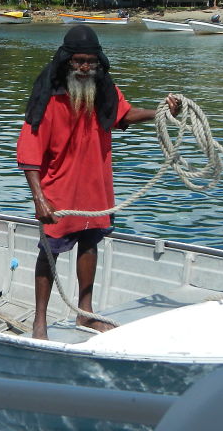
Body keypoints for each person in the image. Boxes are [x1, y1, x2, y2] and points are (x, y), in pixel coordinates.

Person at [16, 25, 181, 339]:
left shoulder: (104, 89)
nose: (84, 67)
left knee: (90, 243)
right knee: (49, 251)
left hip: (96, 184)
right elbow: (29, 152)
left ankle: (85, 314)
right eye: (78, 61)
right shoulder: (48, 99)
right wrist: (39, 197)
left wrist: (160, 111)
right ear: (66, 60)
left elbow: (125, 115)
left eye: (90, 61)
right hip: (59, 188)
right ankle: (40, 321)